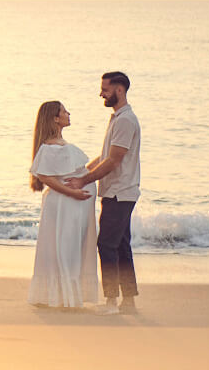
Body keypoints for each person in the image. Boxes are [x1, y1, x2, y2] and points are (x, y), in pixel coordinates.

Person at [64, 72, 141, 315]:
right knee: (120, 245)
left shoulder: (125, 120)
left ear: (119, 90)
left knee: (106, 244)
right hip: (117, 191)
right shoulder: (117, 118)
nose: (101, 94)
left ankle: (111, 301)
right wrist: (82, 170)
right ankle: (128, 301)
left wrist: (84, 180)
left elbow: (114, 161)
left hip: (121, 191)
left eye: (105, 90)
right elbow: (106, 156)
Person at [26, 101, 99, 309]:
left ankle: (65, 296)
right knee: (63, 248)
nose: (69, 113)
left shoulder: (61, 145)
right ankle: (60, 297)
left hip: (72, 204)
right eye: (64, 111)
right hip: (65, 204)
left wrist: (105, 158)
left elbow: (80, 170)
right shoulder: (49, 147)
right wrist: (73, 193)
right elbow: (46, 177)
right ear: (55, 118)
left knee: (70, 248)